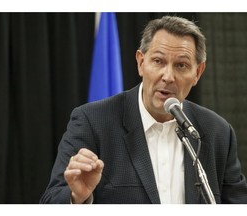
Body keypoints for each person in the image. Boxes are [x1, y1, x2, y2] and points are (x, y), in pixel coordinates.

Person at [40, 15, 247, 204]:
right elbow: (49, 201)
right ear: (141, 63)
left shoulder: (217, 132)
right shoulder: (93, 122)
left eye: (181, 65)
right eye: (158, 61)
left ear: (197, 73)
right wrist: (77, 197)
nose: (168, 76)